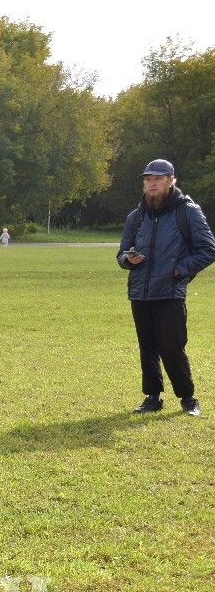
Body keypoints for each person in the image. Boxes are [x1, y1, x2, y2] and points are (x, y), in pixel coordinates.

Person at [118, 158, 215, 416]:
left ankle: (188, 398)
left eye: (158, 179)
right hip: (139, 291)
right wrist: (128, 259)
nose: (152, 184)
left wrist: (179, 270)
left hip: (170, 291)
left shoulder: (187, 211)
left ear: (171, 181)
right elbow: (121, 255)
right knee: (147, 345)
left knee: (171, 345)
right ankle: (152, 397)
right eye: (148, 180)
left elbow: (208, 249)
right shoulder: (135, 217)